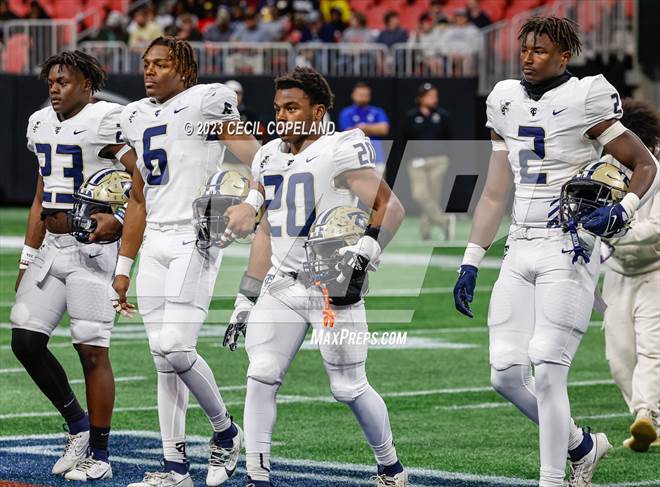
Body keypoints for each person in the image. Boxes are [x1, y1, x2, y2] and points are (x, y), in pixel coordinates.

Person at [453, 16, 659, 487]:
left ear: (564, 56)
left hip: (568, 245)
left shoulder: (586, 96)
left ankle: (553, 479)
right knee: (505, 375)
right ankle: (582, 446)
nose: (528, 58)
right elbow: (494, 193)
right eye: (525, 49)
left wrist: (624, 208)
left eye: (540, 50)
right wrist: (470, 259)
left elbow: (644, 163)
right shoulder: (504, 98)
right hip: (518, 244)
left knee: (547, 367)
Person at [222, 66, 408, 487]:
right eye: (278, 108)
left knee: (348, 387)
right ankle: (256, 476)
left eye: (292, 108)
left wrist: (364, 256)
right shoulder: (267, 156)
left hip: (331, 283)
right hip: (283, 284)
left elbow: (390, 207)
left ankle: (390, 466)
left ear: (318, 111)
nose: (282, 116)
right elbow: (266, 231)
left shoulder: (340, 148)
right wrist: (246, 297)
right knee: (261, 372)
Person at [111, 36, 261, 487]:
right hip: (155, 240)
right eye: (146, 63)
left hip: (194, 238)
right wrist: (123, 266)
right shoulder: (134, 115)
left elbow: (262, 159)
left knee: (176, 347)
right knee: (163, 359)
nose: (149, 70)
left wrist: (251, 202)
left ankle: (226, 431)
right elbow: (139, 198)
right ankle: (174, 468)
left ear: (184, 69)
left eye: (160, 64)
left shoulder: (206, 100)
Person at [10, 50, 136, 481]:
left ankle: (100, 454)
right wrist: (28, 255)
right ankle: (78, 427)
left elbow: (145, 180)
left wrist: (120, 219)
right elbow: (41, 193)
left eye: (63, 82)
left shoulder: (107, 120)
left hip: (93, 253)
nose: (54, 89)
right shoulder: (39, 122)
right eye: (51, 82)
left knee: (91, 351)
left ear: (87, 85)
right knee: (25, 341)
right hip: (51, 247)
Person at [601, 98, 660, 453]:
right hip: (618, 273)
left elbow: (656, 227)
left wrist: (615, 231)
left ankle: (646, 415)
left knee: (652, 348)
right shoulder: (605, 168)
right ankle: (648, 418)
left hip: (656, 271)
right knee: (619, 358)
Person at [403, 82, 453, 240]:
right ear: (420, 98)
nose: (433, 99)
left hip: (438, 160)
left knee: (433, 196)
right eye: (430, 96)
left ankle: (425, 233)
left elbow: (449, 138)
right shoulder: (412, 116)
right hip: (417, 162)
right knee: (420, 195)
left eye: (435, 96)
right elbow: (404, 139)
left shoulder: (442, 115)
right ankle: (444, 221)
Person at [338, 82, 390, 172]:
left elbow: (384, 129)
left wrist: (363, 127)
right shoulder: (346, 113)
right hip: (354, 158)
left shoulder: (377, 112)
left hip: (376, 157)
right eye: (360, 95)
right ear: (353, 95)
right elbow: (347, 132)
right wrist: (373, 129)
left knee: (378, 179)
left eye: (365, 95)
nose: (363, 97)